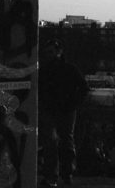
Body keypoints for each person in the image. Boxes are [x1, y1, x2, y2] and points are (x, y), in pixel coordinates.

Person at [38, 39, 90, 188]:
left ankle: (52, 175)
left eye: (50, 52)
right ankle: (65, 173)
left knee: (52, 142)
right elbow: (84, 88)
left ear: (58, 52)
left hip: (55, 109)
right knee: (64, 141)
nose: (49, 55)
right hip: (64, 110)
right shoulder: (69, 69)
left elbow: (83, 88)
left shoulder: (45, 71)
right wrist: (74, 103)